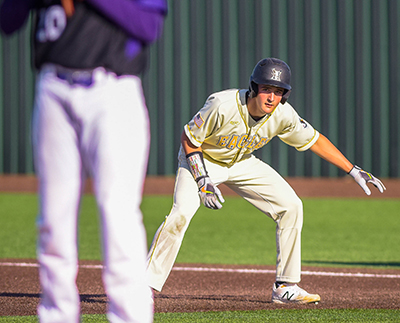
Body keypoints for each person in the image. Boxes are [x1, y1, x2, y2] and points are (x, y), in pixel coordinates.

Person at [146, 57, 386, 304]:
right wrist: (202, 179)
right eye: (267, 89)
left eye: (279, 91)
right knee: (181, 213)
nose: (272, 97)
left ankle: (285, 287)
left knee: (291, 206)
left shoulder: (283, 114)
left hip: (242, 162)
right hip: (202, 159)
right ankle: (146, 285)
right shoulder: (222, 104)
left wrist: (353, 170)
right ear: (254, 88)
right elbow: (189, 139)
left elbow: (314, 139)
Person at [0, 0, 167, 322]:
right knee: (53, 219)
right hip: (52, 87)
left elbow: (149, 26)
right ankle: (56, 315)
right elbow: (8, 20)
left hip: (112, 89)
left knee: (118, 213)